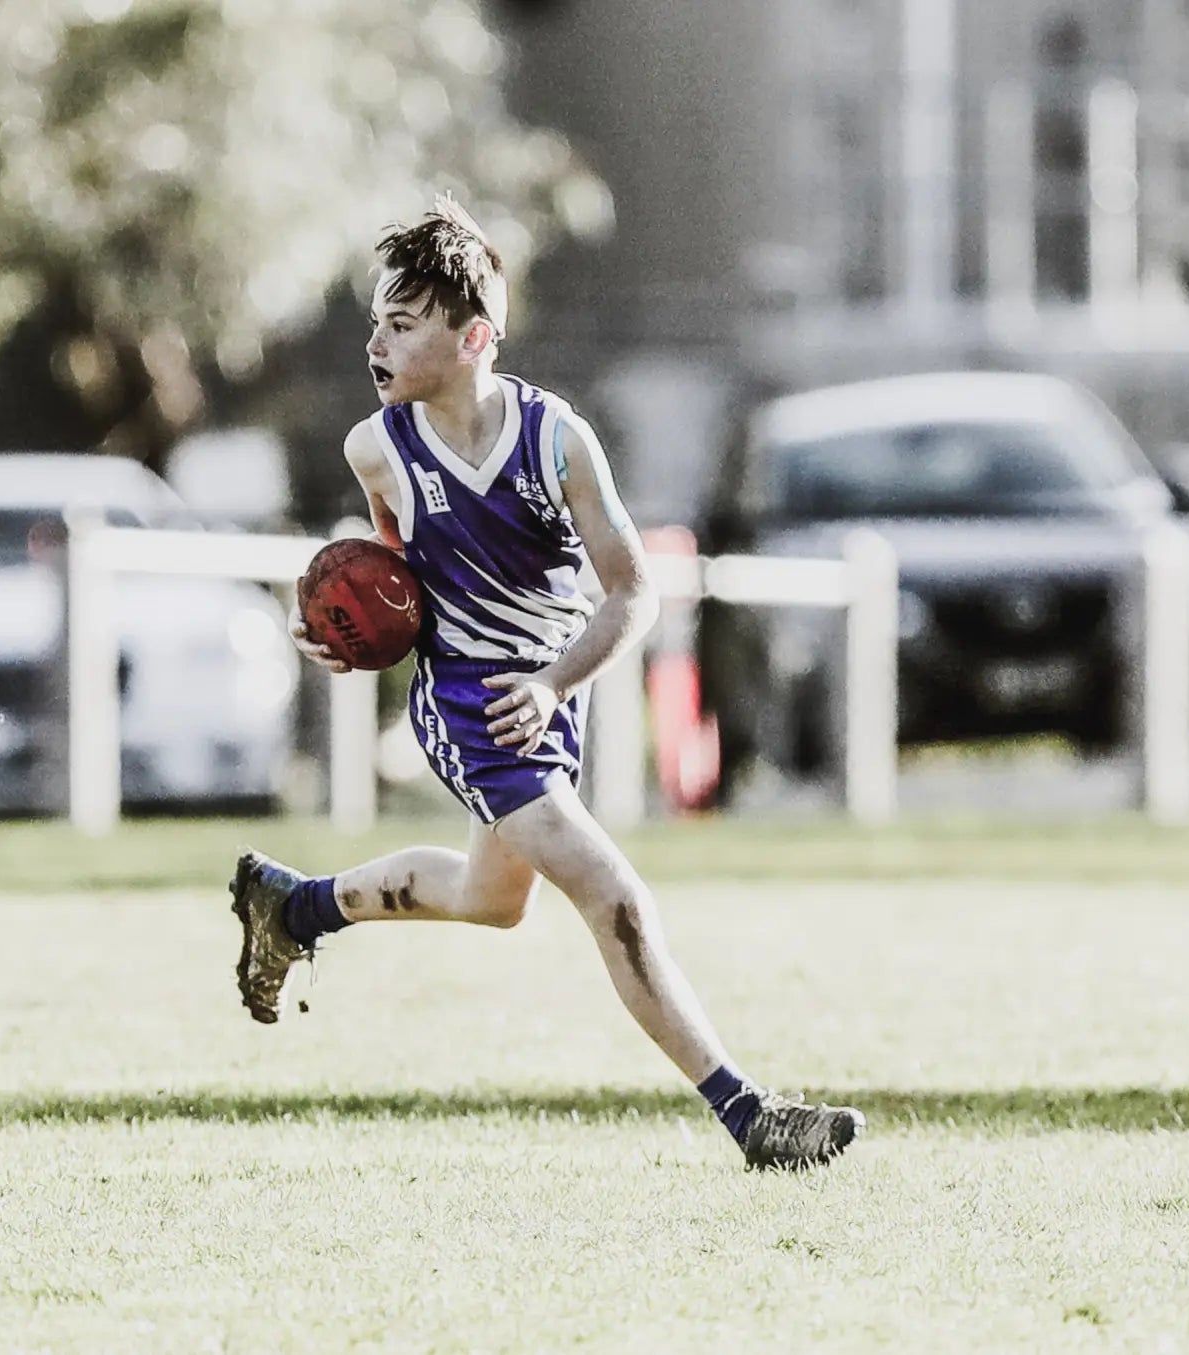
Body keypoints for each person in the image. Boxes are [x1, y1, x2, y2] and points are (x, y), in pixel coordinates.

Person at [230, 197, 862, 1171]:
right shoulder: (377, 449)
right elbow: (396, 586)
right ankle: (748, 1116)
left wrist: (556, 681)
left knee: (493, 897)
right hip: (468, 708)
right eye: (375, 323)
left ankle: (294, 907)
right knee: (612, 892)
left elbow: (633, 593)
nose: (377, 343)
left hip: (537, 699)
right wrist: (346, 632)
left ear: (473, 335)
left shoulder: (554, 440)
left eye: (401, 325)